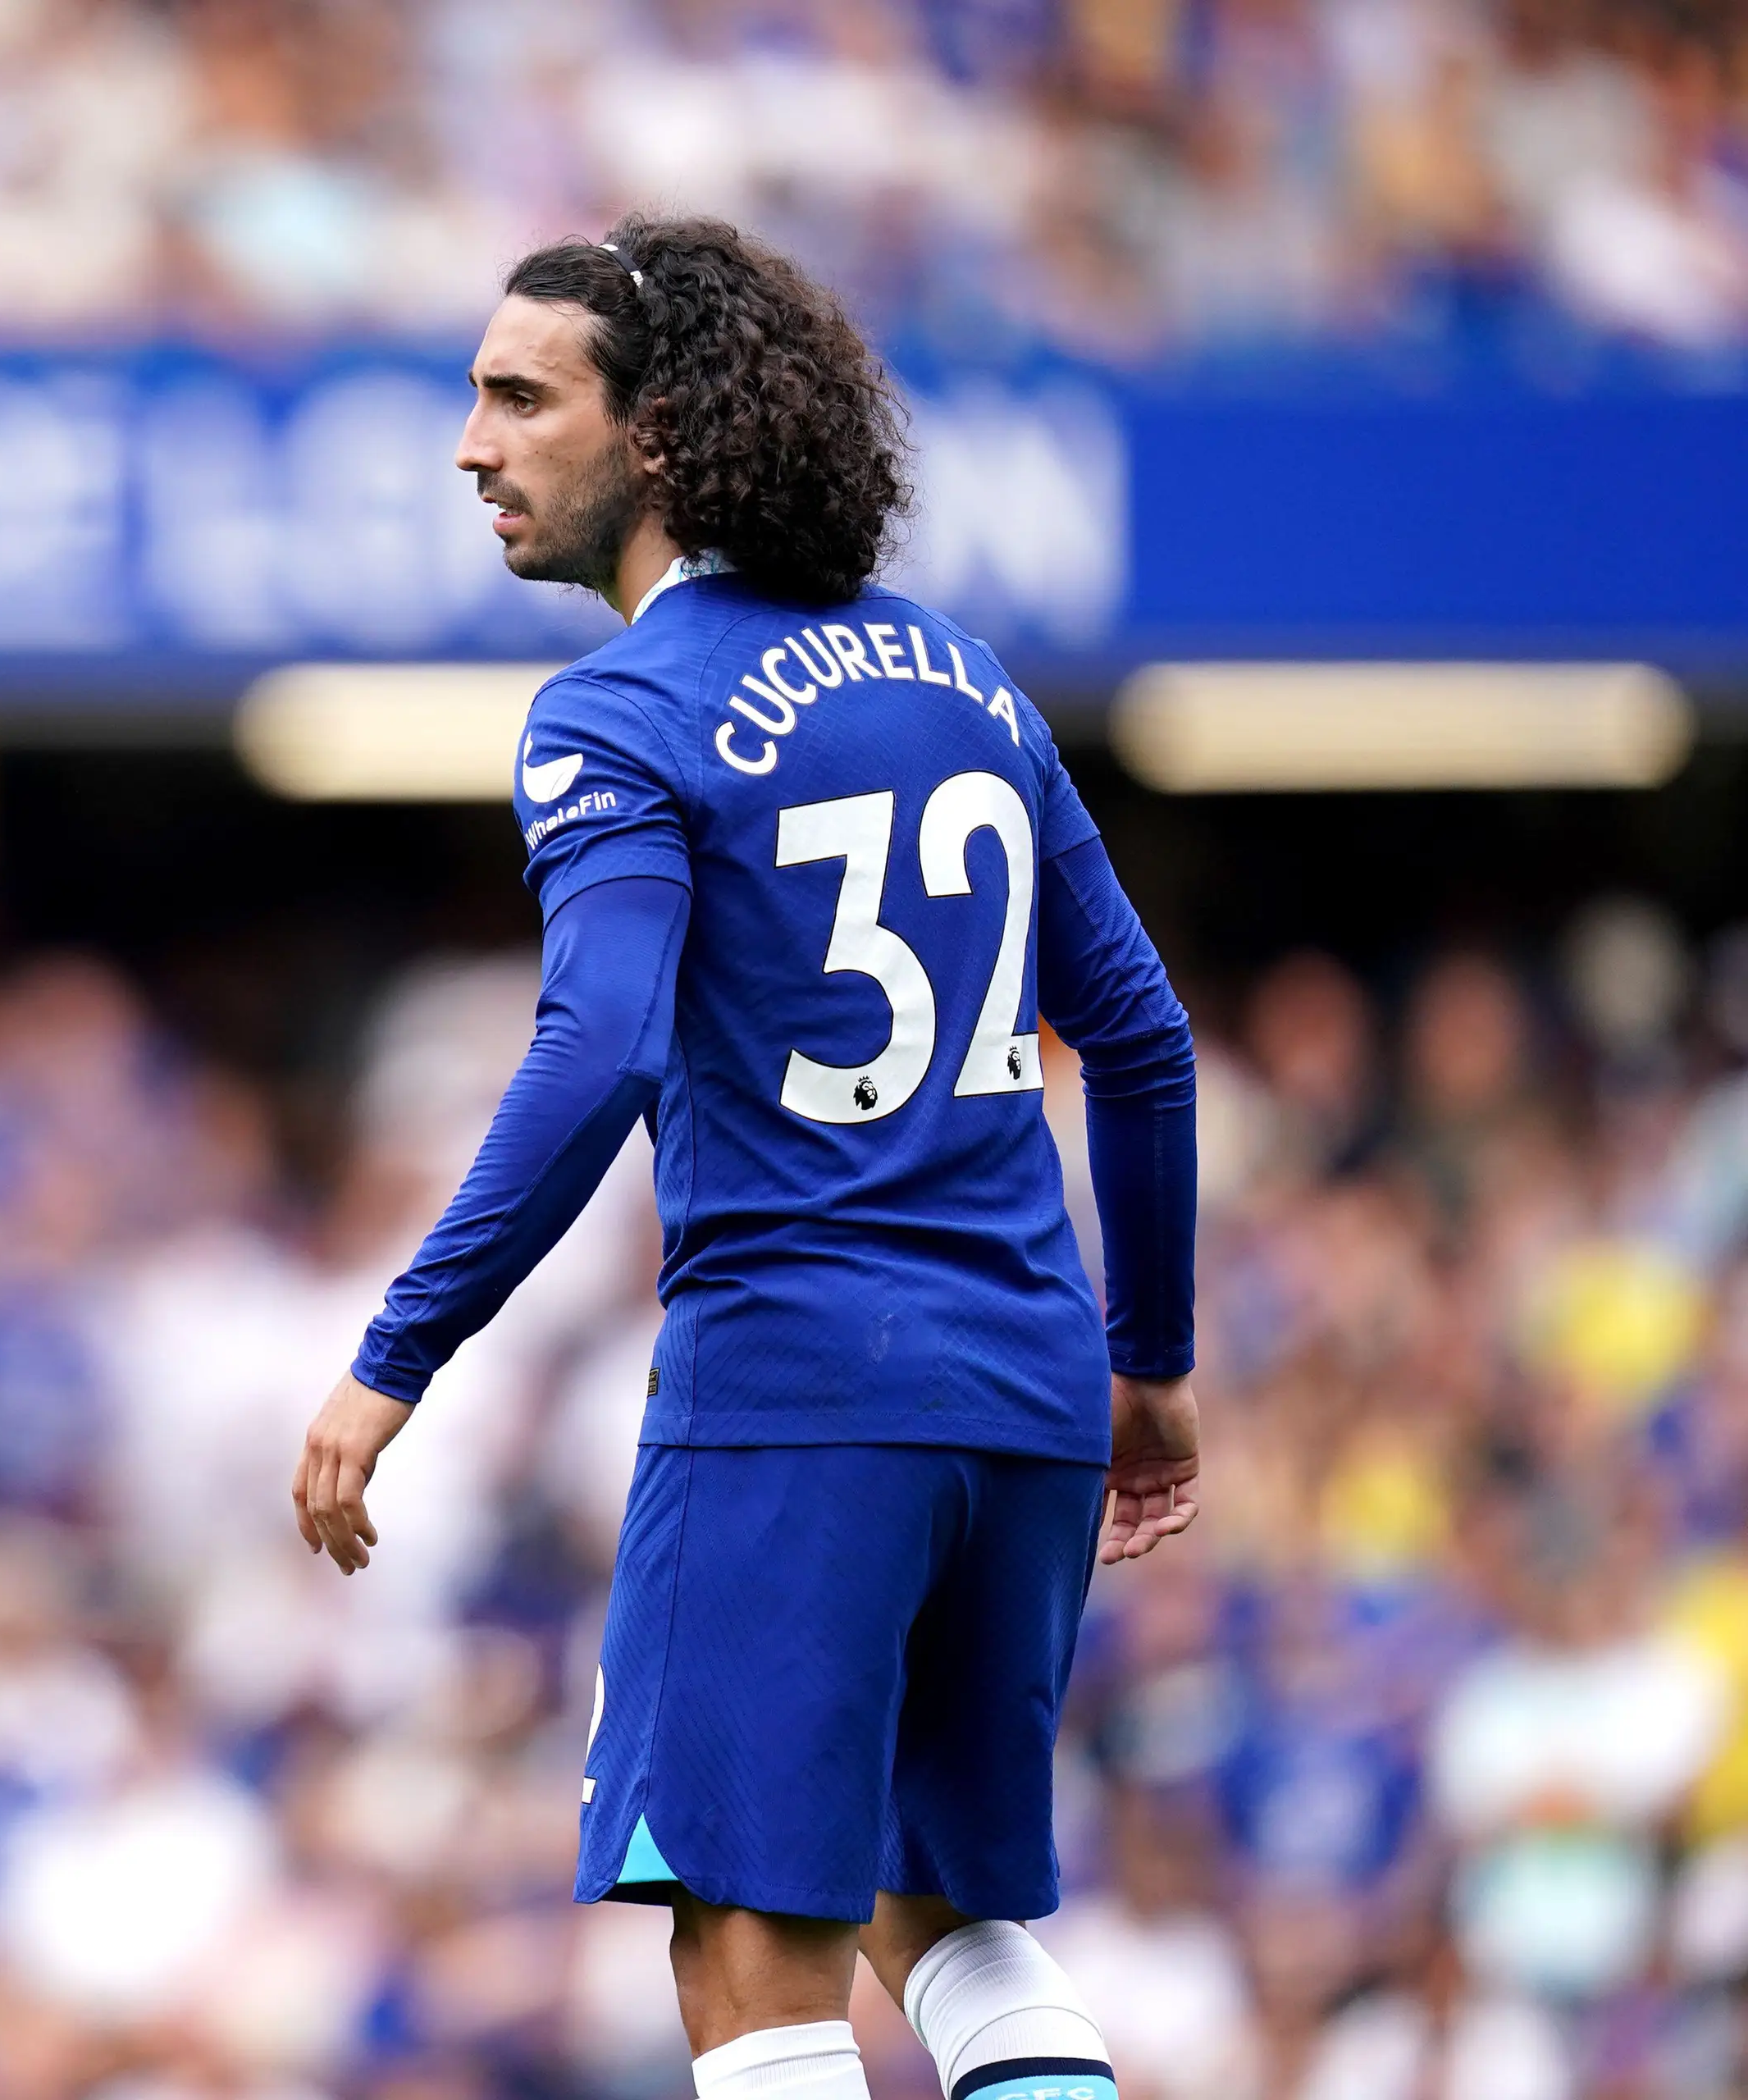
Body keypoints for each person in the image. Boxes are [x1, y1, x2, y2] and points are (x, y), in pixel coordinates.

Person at [288, 215, 1202, 2100]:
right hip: (1025, 1380)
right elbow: (1143, 1037)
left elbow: (600, 1043)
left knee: (744, 1938)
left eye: (522, 397)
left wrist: (399, 1351)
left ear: (668, 440)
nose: (474, 443)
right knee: (942, 1912)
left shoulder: (622, 709)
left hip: (797, 1380)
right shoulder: (964, 678)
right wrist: (1154, 1363)